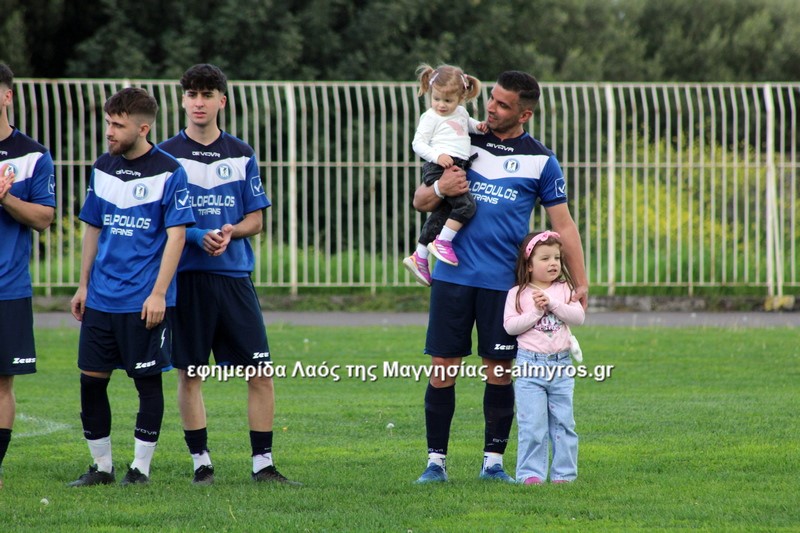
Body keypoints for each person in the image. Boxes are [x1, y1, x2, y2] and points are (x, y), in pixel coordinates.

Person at [412, 70, 589, 484]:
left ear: (524, 114)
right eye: (491, 98)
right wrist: (441, 188)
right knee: (443, 367)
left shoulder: (541, 160)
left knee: (500, 371)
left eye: (503, 104)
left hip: (505, 286)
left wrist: (581, 284)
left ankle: (493, 463)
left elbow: (564, 226)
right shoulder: (462, 137)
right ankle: (435, 463)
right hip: (453, 277)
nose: (491, 108)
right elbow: (421, 200)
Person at [159, 64, 298, 485]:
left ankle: (263, 465)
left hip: (234, 278)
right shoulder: (164, 156)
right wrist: (196, 235)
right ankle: (201, 463)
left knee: (260, 372)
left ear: (222, 100)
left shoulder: (241, 152)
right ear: (183, 100)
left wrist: (230, 231)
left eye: (207, 94)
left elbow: (256, 219)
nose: (199, 102)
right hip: (187, 279)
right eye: (192, 94)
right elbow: (159, 221)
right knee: (191, 373)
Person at [68, 87, 195, 487]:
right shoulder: (103, 167)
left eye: (118, 125)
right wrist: (83, 285)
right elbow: (93, 228)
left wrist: (158, 293)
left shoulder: (170, 171)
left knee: (147, 383)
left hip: (143, 301)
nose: (109, 131)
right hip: (101, 298)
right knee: (91, 381)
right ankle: (101, 467)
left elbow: (176, 236)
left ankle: (139, 469)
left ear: (143, 128)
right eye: (108, 122)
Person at [0, 63, 56, 489]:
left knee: (2, 383)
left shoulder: (33, 155)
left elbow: (44, 218)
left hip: (8, 288)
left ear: (7, 96)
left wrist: (5, 198)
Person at [503, 230, 584, 484]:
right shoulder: (518, 293)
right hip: (529, 367)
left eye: (557, 258)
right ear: (529, 265)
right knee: (532, 425)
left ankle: (563, 474)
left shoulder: (565, 289)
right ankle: (530, 473)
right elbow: (510, 327)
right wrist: (536, 313)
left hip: (561, 366)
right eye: (545, 258)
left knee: (564, 423)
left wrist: (552, 304)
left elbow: (578, 317)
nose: (553, 263)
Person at [403, 63, 486, 286]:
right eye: (436, 98)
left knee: (442, 214)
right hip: (439, 167)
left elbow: (465, 125)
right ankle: (443, 242)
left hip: (456, 165)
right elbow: (418, 144)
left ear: (461, 98)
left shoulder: (461, 112)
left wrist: (478, 126)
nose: (441, 105)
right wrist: (437, 156)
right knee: (467, 206)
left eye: (448, 101)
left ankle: (420, 256)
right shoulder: (430, 117)